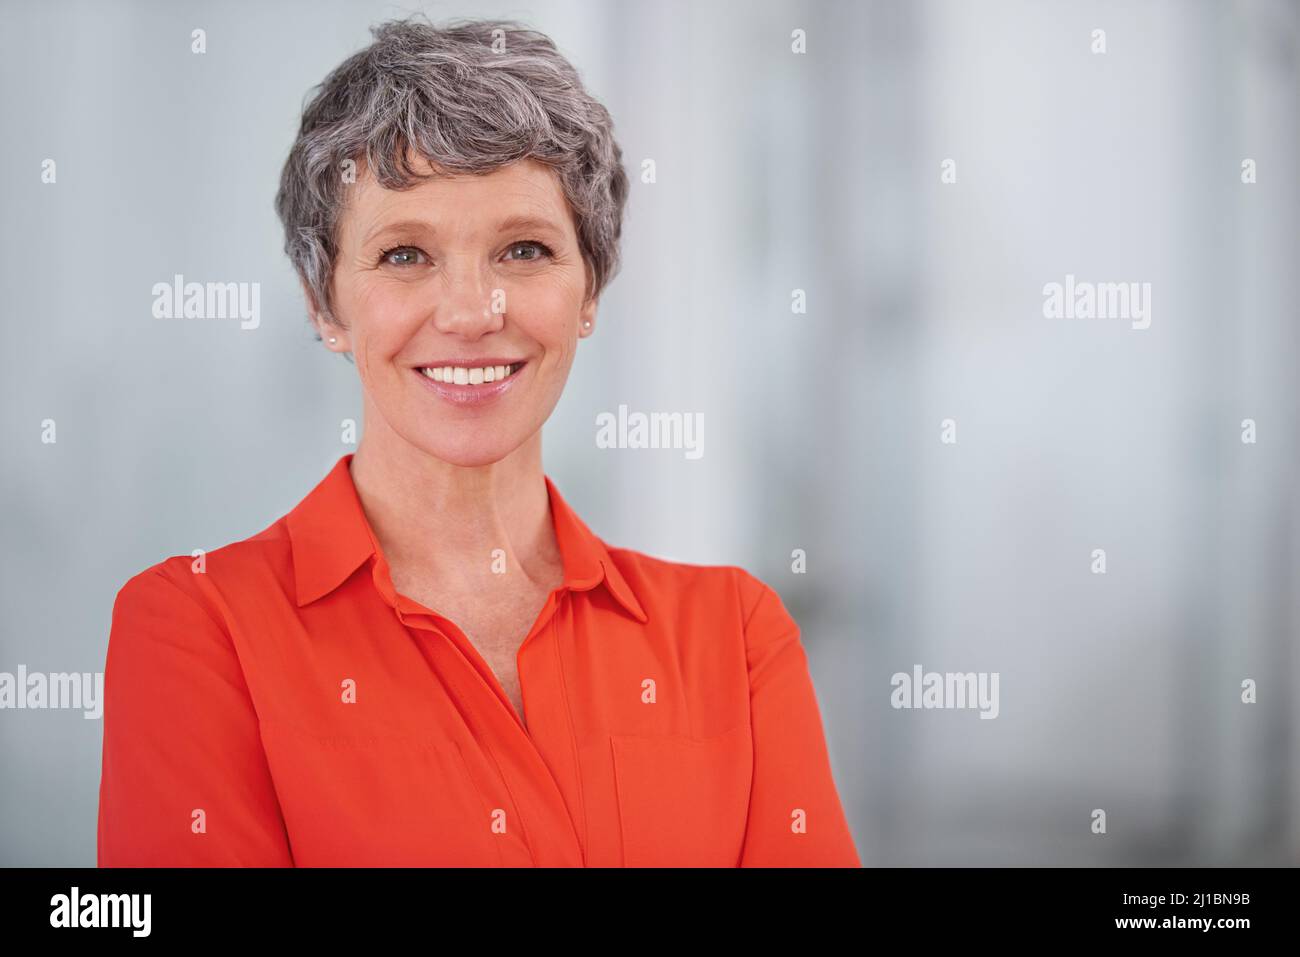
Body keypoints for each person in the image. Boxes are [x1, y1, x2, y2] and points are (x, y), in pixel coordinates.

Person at [97, 16, 859, 867]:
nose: (469, 313)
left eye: (524, 249)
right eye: (405, 255)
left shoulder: (735, 638)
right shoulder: (200, 630)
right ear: (323, 302)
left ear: (590, 290)